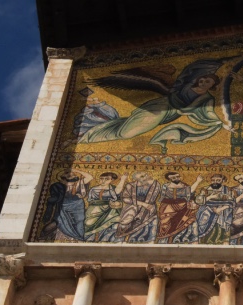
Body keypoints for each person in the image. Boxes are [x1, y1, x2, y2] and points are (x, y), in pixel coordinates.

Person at [79, 59, 229, 150]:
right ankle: (90, 138)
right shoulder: (184, 85)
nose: (202, 82)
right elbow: (192, 69)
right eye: (202, 79)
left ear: (213, 85)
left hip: (169, 116)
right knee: (127, 133)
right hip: (159, 108)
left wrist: (220, 123)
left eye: (207, 81)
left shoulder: (207, 98)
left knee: (126, 128)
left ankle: (93, 132)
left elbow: (208, 113)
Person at [40, 169, 93, 241]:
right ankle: (43, 236)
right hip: (64, 206)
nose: (70, 181)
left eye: (72, 176)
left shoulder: (78, 183)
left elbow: (90, 177)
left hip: (77, 206)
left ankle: (78, 237)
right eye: (68, 178)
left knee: (78, 222)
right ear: (63, 179)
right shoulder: (59, 186)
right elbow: (55, 196)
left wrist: (77, 171)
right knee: (59, 221)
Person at [156, 172, 203, 243]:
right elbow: (188, 191)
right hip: (169, 209)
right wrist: (197, 182)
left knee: (191, 222)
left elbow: (191, 194)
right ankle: (164, 242)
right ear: (169, 179)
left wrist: (192, 201)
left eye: (177, 176)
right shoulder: (166, 186)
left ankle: (191, 241)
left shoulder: (185, 185)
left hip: (184, 208)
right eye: (173, 178)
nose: (176, 178)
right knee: (166, 226)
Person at [115, 171, 160, 242]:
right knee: (125, 223)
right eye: (142, 176)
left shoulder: (155, 184)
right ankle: (122, 241)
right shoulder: (130, 185)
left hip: (149, 208)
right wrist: (142, 204)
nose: (146, 177)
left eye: (145, 174)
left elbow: (154, 198)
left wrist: (145, 206)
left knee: (150, 225)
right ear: (136, 179)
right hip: (133, 207)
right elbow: (125, 198)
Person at [84, 172, 127, 242]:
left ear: (111, 180)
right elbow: (89, 200)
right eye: (101, 179)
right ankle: (91, 238)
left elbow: (118, 193)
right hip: (94, 210)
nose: (103, 181)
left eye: (106, 179)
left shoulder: (113, 189)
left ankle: (106, 238)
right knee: (88, 223)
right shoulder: (93, 189)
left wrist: (122, 180)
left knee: (117, 221)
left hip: (110, 209)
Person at [195, 174, 235, 245]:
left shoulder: (228, 190)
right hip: (206, 210)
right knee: (203, 222)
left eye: (218, 180)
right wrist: (210, 197)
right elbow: (198, 201)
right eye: (213, 180)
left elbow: (232, 202)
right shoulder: (205, 189)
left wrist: (221, 209)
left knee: (220, 222)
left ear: (223, 181)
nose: (215, 182)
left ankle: (220, 242)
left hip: (222, 210)